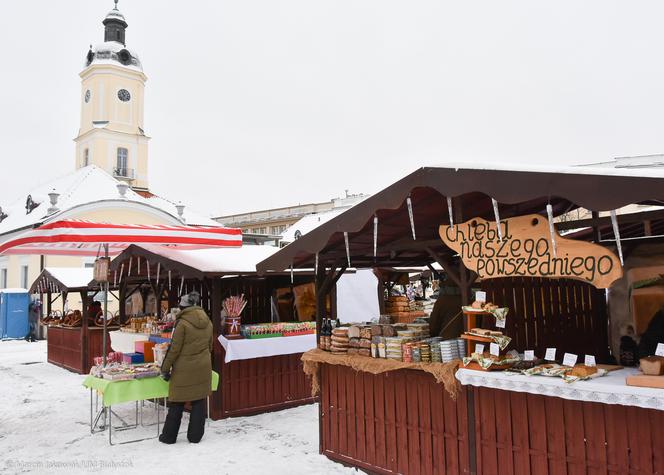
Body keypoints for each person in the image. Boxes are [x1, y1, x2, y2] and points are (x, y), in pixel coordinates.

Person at [159, 291, 213, 444]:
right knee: (199, 401)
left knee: (177, 401)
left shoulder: (182, 323)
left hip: (184, 368)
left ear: (183, 308)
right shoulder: (207, 321)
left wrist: (165, 368)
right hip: (203, 366)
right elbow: (210, 346)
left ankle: (169, 437)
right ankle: (195, 437)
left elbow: (174, 349)